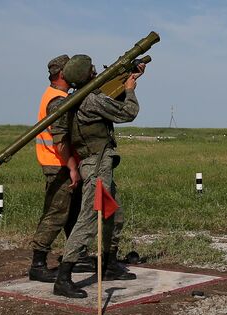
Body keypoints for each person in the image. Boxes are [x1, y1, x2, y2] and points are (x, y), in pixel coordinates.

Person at [50, 54, 145, 298]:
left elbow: (110, 100)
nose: (96, 71)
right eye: (93, 69)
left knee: (115, 213)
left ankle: (110, 264)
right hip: (97, 165)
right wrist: (131, 90)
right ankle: (64, 276)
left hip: (96, 163)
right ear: (87, 75)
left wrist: (128, 80)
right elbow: (128, 113)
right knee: (89, 218)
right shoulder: (91, 100)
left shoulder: (77, 99)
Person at [27, 55, 91, 292]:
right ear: (63, 74)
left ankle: (77, 254)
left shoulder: (56, 95)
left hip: (60, 163)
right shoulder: (57, 100)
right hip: (59, 164)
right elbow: (60, 140)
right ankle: (38, 262)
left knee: (72, 213)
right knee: (57, 213)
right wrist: (72, 167)